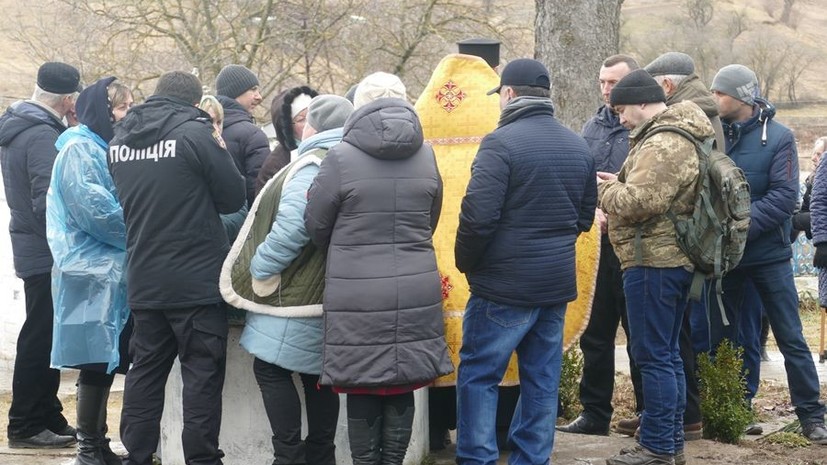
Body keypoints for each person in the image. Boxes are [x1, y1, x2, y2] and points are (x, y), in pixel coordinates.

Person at [455, 58, 596, 465]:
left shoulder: (500, 143)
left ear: (509, 94)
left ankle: (477, 458)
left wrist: (467, 263)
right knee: (542, 378)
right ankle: (532, 458)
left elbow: (478, 217)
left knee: (481, 376)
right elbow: (583, 219)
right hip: (553, 285)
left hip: (502, 286)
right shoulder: (576, 144)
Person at [304, 93, 453, 465]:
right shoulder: (427, 155)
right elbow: (430, 219)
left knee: (362, 381)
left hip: (356, 291)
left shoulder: (340, 157)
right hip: (415, 284)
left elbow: (316, 224)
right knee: (403, 377)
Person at [109, 71, 246, 465]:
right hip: (195, 280)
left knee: (145, 372)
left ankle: (137, 455)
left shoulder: (119, 141)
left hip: (145, 277)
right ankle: (202, 459)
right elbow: (232, 196)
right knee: (202, 373)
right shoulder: (194, 134)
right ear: (191, 102)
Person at [599, 69, 711, 465]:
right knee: (667, 354)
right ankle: (669, 442)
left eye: (624, 109)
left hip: (654, 262)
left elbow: (640, 202)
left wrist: (603, 188)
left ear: (644, 104)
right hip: (670, 261)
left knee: (654, 356)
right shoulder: (676, 135)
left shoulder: (664, 142)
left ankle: (659, 447)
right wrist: (621, 182)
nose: (621, 118)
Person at [711, 64, 827, 445]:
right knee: (732, 337)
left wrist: (737, 226)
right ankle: (736, 408)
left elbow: (782, 198)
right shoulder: (715, 137)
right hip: (728, 258)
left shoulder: (779, 138)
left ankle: (811, 414)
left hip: (769, 255)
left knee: (790, 335)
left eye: (720, 94)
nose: (714, 100)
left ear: (741, 96)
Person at [240, 95, 353, 465]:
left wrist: (261, 265)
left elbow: (292, 227)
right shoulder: (352, 158)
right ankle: (322, 455)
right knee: (318, 375)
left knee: (270, 368)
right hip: (334, 284)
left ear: (315, 126)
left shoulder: (312, 164)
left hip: (299, 290)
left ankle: (287, 457)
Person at [47, 77, 134, 465]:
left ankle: (97, 444)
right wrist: (141, 230)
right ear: (104, 109)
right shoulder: (81, 150)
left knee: (104, 357)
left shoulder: (99, 147)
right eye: (123, 108)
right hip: (91, 268)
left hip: (105, 268)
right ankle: (88, 448)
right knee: (95, 358)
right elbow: (96, 213)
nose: (126, 116)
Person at [558, 54, 644, 438]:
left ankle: (647, 412)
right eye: (603, 82)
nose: (608, 89)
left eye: (614, 82)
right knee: (595, 334)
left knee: (641, 336)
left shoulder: (645, 128)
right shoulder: (591, 126)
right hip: (596, 246)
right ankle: (595, 413)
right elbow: (578, 177)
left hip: (635, 248)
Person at [0, 61, 81, 449]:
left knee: (48, 335)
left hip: (35, 247)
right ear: (67, 99)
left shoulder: (30, 126)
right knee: (40, 336)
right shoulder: (39, 135)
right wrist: (74, 241)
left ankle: (47, 413)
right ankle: (26, 424)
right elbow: (46, 201)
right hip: (45, 251)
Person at [215, 64, 271, 206]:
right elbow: (260, 193)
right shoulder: (253, 136)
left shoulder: (199, 129)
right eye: (253, 90)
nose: (259, 97)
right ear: (235, 92)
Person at [255, 86, 317, 194]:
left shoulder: (333, 146)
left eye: (313, 115)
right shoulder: (275, 166)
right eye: (302, 119)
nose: (311, 123)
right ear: (286, 127)